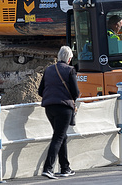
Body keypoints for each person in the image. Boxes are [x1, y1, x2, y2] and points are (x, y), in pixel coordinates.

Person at [38, 46, 79, 179]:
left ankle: (65, 168)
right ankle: (48, 168)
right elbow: (75, 93)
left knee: (61, 136)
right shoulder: (70, 70)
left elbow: (40, 91)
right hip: (63, 108)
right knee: (58, 137)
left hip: (49, 107)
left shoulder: (49, 69)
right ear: (69, 58)